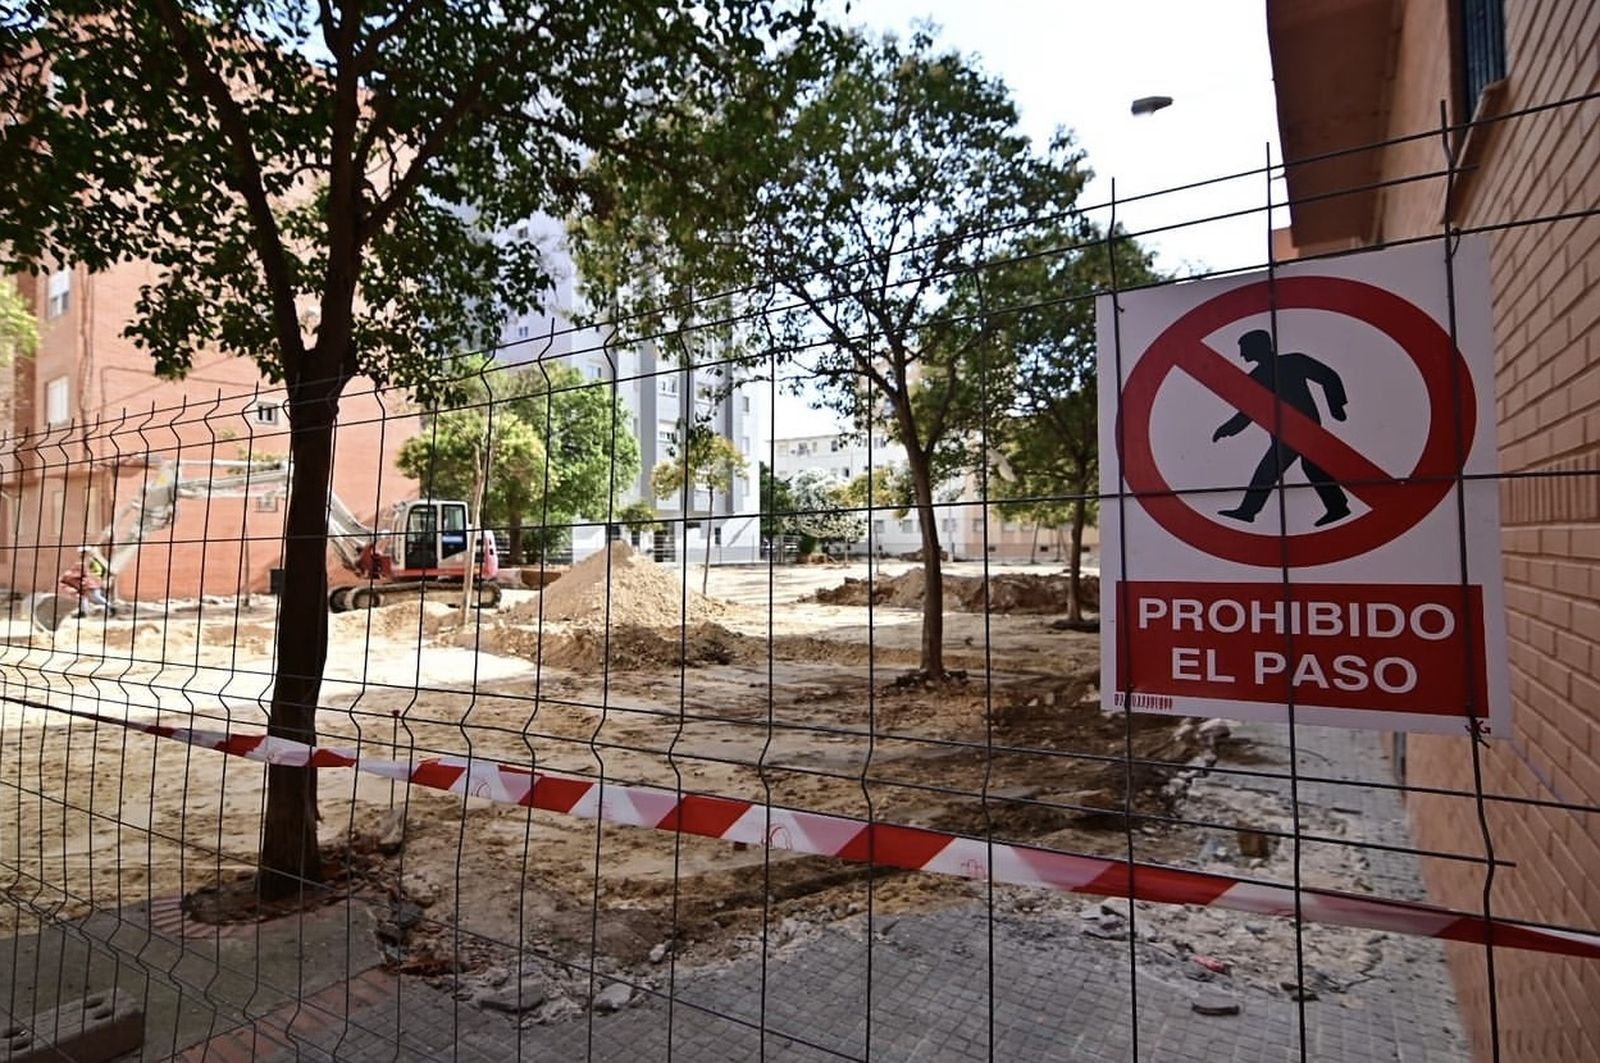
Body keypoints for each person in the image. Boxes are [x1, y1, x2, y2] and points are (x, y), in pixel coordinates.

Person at [1212, 329, 1352, 528]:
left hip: (1301, 430)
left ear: (1258, 347)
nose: (1242, 354)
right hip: (1287, 433)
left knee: (1268, 470)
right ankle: (1338, 506)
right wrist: (1227, 429)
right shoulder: (1257, 376)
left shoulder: (1292, 362)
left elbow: (1328, 376)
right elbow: (1248, 411)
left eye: (1245, 349)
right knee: (1311, 467)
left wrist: (1336, 406)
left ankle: (1248, 511)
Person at [61, 548, 115, 618]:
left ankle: (111, 607)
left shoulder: (89, 562)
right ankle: (83, 612)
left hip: (91, 584)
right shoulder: (84, 563)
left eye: (83, 553)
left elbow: (96, 571)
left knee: (96, 598)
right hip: (88, 584)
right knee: (84, 598)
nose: (82, 554)